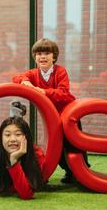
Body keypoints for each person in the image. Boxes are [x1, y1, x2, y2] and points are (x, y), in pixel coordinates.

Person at [12, 38, 88, 184]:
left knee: (74, 145)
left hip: (68, 116)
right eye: (39, 53)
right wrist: (24, 81)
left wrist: (44, 92)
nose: (43, 57)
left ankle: (80, 172)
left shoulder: (60, 71)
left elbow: (64, 93)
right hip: (52, 118)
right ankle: (64, 170)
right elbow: (16, 77)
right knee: (56, 147)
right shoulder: (33, 74)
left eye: (47, 53)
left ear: (54, 56)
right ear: (35, 57)